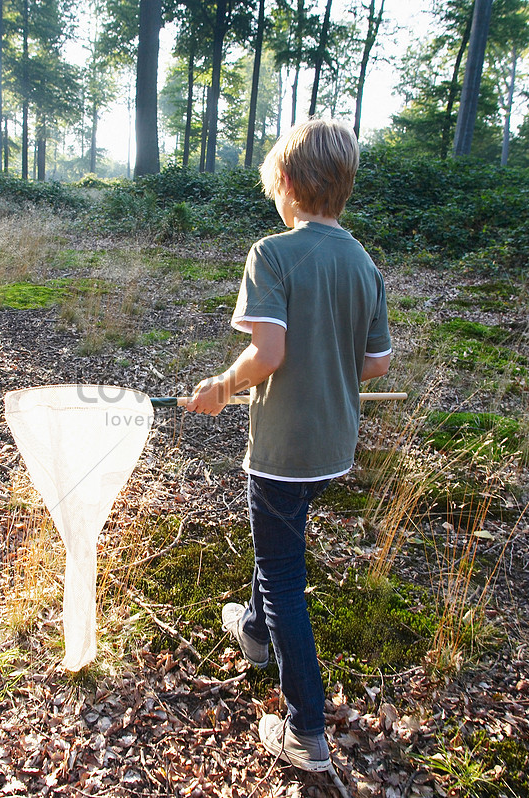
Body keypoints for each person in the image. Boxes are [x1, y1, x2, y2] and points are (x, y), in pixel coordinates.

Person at [185, 118, 392, 772]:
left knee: (282, 575)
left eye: (275, 182)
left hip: (284, 448)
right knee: (278, 538)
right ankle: (252, 631)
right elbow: (377, 363)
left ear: (290, 186)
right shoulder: (364, 262)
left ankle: (306, 730)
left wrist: (222, 384)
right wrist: (327, 370)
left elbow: (268, 352)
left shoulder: (272, 253)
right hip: (333, 446)